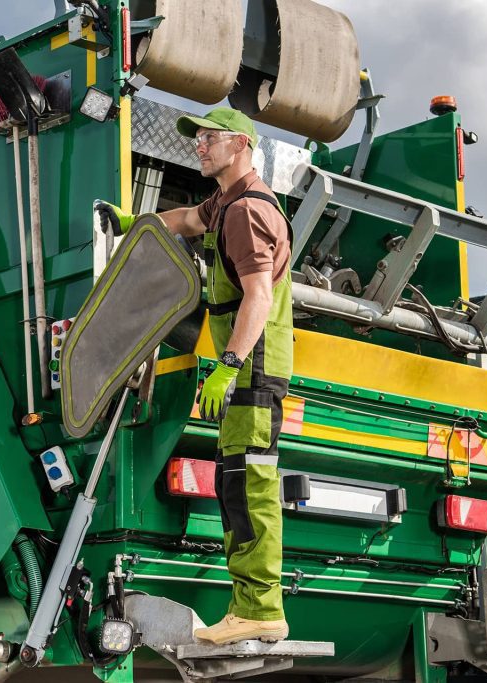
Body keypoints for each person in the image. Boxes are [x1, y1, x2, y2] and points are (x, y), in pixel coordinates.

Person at [96, 107, 293, 645]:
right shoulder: (226, 202)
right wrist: (135, 222)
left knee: (248, 489)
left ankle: (260, 609)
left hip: (252, 367)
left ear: (242, 145)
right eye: (198, 138)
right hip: (249, 367)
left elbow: (258, 296)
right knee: (237, 486)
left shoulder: (247, 213)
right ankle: (252, 606)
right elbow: (185, 220)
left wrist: (226, 369)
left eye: (210, 138)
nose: (199, 147)